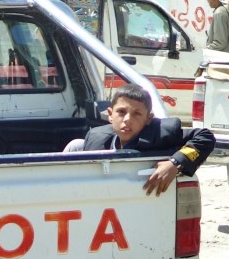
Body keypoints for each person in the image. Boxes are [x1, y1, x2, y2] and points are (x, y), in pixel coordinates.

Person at [67, 83, 215, 196]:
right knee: (75, 146)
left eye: (137, 114)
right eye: (121, 112)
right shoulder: (95, 139)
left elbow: (205, 137)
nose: (127, 120)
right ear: (110, 114)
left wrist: (175, 163)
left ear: (148, 118)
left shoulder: (162, 134)